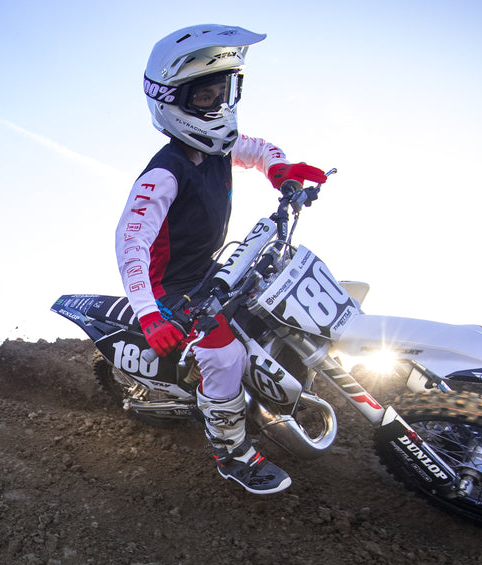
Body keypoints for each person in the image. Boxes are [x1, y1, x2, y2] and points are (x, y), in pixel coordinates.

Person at [115, 24, 327, 495]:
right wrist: (150, 315)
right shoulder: (163, 174)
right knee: (226, 355)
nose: (220, 103)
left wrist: (282, 170)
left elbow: (254, 148)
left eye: (225, 89)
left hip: (212, 270)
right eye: (206, 94)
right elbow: (129, 242)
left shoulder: (217, 147)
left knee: (272, 301)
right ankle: (230, 452)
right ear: (174, 102)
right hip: (170, 289)